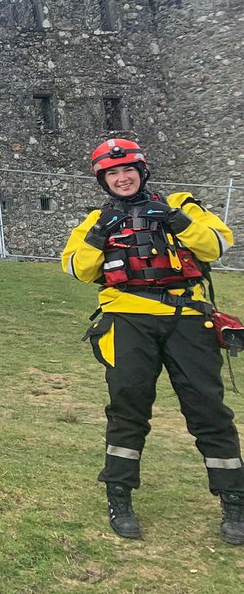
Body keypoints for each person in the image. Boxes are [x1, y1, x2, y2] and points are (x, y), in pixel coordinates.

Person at [61, 138, 243, 544]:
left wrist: (176, 220)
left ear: (142, 172)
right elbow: (77, 268)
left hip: (187, 318)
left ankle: (234, 500)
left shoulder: (181, 204)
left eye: (128, 170)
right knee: (127, 407)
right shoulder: (96, 219)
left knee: (208, 409)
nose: (122, 178)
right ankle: (119, 496)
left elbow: (218, 244)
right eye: (112, 173)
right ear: (103, 181)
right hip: (127, 319)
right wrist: (100, 234)